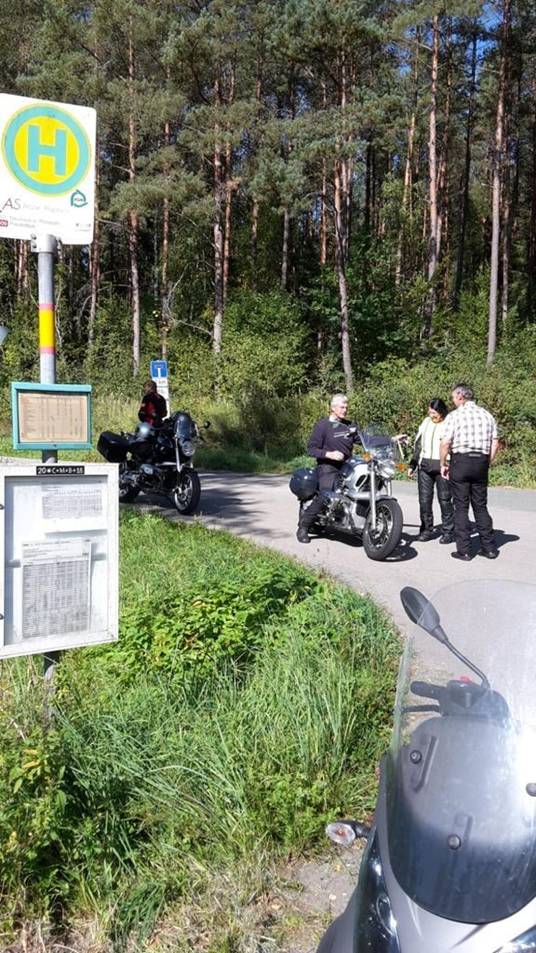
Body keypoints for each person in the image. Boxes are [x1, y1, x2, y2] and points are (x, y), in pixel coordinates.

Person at [440, 383, 500, 561]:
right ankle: (489, 548)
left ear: (460, 396)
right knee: (480, 505)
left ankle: (464, 550)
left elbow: (445, 443)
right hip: (481, 461)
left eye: (453, 398)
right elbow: (495, 442)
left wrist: (443, 463)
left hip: (461, 461)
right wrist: (486, 461)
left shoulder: (455, 416)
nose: (452, 401)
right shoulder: (487, 415)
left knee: (461, 506)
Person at [297, 394, 358, 543]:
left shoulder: (349, 426)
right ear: (333, 408)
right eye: (342, 407)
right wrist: (328, 454)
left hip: (346, 466)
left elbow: (365, 439)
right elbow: (311, 449)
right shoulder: (323, 425)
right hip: (327, 466)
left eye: (346, 407)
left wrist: (391, 439)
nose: (345, 410)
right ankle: (303, 527)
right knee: (326, 495)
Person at [408, 398, 454, 544]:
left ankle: (448, 531)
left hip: (443, 466)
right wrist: (412, 464)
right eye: (430, 411)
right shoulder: (426, 422)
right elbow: (418, 445)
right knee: (424, 500)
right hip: (425, 466)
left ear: (441, 412)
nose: (431, 414)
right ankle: (426, 529)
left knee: (445, 500)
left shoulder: (449, 423)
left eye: (434, 412)